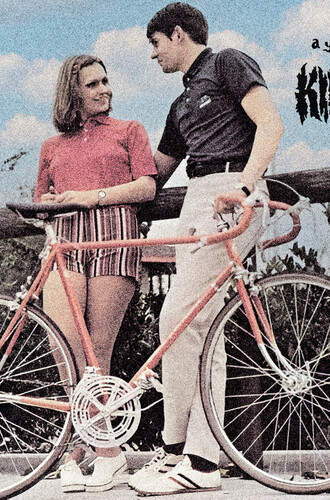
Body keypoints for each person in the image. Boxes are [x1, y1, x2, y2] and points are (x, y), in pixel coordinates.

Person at [128, 3, 284, 496]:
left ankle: (199, 461)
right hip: (197, 198)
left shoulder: (227, 62)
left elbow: (271, 124)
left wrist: (245, 186)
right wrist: (89, 193)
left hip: (231, 190)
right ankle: (177, 451)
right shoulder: (181, 103)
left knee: (184, 318)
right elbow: (154, 174)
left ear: (178, 34)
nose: (153, 55)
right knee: (185, 322)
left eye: (156, 44)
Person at [34, 54, 158, 493]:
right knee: (65, 347)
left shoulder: (129, 130)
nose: (105, 89)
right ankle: (99, 450)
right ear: (73, 92)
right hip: (66, 239)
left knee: (97, 353)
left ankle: (85, 453)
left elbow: (147, 186)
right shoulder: (51, 146)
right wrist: (52, 204)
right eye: (93, 84)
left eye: (105, 81)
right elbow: (41, 198)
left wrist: (92, 196)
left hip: (114, 233)